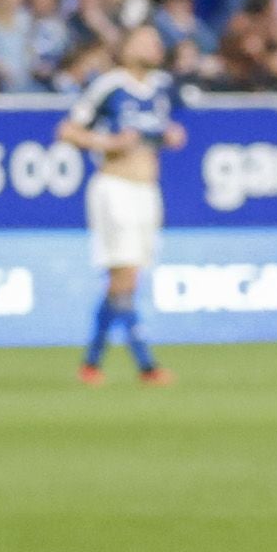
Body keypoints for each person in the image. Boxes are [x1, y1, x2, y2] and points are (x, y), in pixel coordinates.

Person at [56, 25, 185, 385]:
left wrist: (171, 135)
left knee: (126, 280)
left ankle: (91, 363)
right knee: (124, 274)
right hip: (115, 186)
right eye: (145, 39)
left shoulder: (162, 86)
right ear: (125, 47)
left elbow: (161, 128)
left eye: (157, 40)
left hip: (148, 189)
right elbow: (67, 130)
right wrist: (109, 142)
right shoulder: (109, 86)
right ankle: (146, 364)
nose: (154, 45)